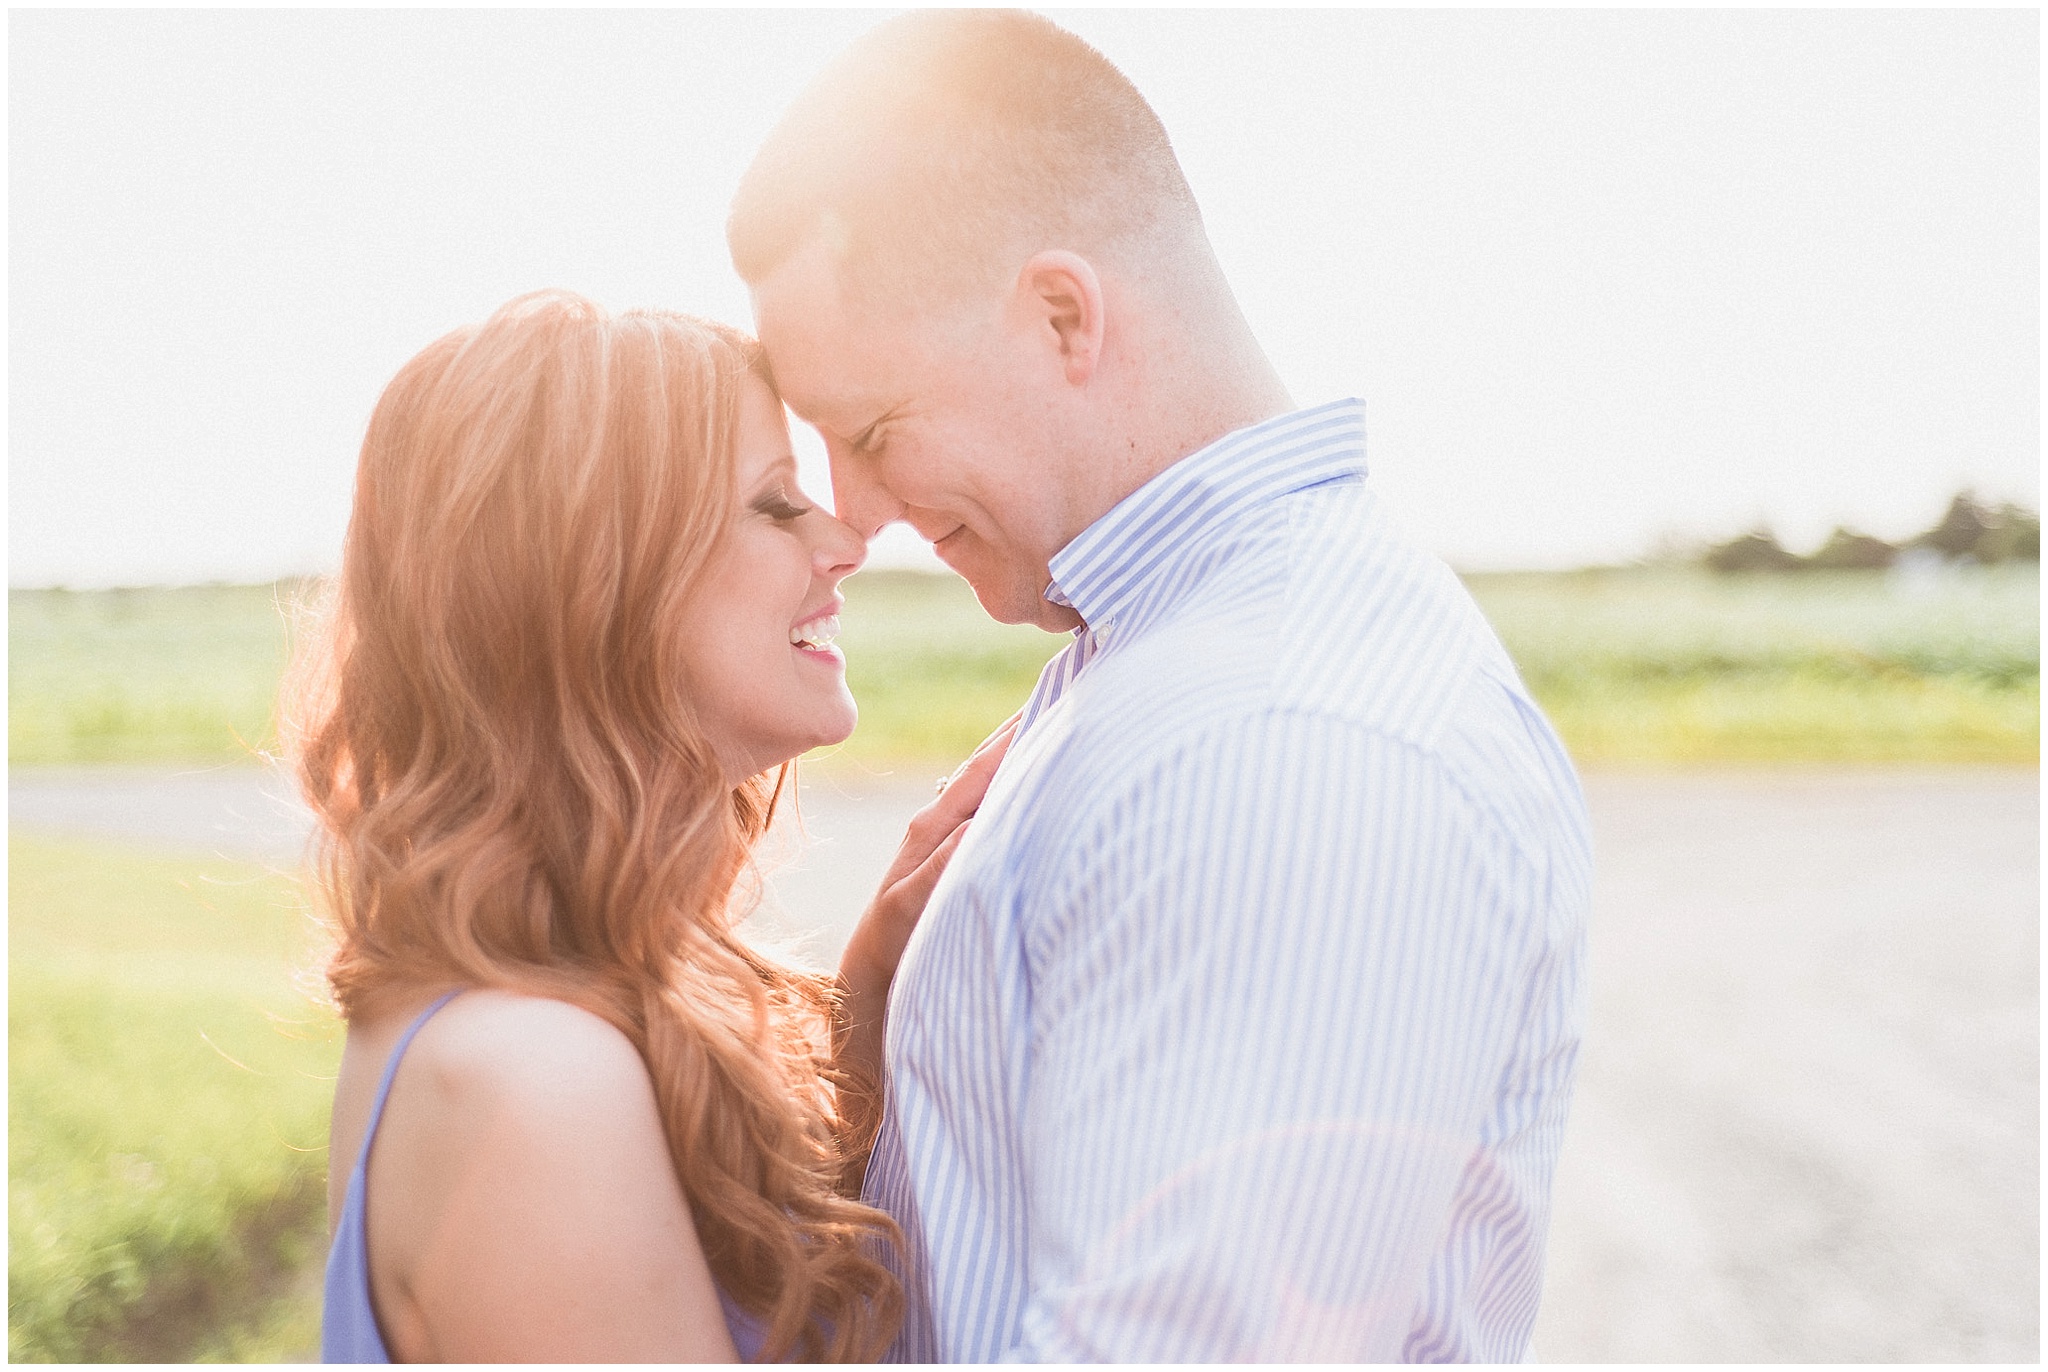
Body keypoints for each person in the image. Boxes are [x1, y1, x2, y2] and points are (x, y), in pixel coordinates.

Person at [727, 10, 1594, 1361]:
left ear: (1063, 315)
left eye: (875, 430)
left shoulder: (1283, 740)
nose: (859, 511)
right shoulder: (1168, 661)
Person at [289, 289, 1011, 1362]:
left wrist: (859, 1012)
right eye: (774, 504)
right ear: (592, 580)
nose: (843, 539)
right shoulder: (528, 1083)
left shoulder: (523, 1008)